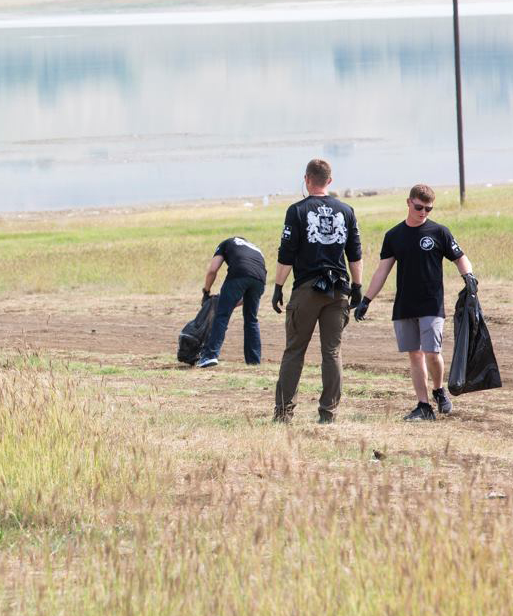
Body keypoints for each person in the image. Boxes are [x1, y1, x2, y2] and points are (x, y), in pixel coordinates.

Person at [354, 184, 477, 421]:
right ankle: (423, 406)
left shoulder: (439, 232)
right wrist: (366, 299)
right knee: (415, 355)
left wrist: (469, 276)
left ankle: (438, 390)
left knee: (432, 353)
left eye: (428, 209)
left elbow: (460, 258)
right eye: (419, 207)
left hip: (431, 303)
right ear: (408, 202)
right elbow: (382, 271)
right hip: (404, 305)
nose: (423, 213)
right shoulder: (394, 236)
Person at [272, 159, 363, 423]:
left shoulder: (297, 211)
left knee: (294, 351)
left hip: (307, 288)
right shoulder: (346, 210)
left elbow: (286, 254)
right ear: (329, 181)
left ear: (307, 179)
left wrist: (278, 287)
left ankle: (284, 413)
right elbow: (355, 254)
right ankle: (328, 413)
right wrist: (357, 286)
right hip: (339, 289)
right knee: (332, 352)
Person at [196, 236, 267, 368]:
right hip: (260, 280)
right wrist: (229, 302)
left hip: (238, 274)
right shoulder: (256, 249)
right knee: (251, 320)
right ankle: (254, 361)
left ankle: (209, 356)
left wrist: (206, 291)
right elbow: (249, 291)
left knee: (222, 316)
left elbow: (212, 270)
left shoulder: (227, 243)